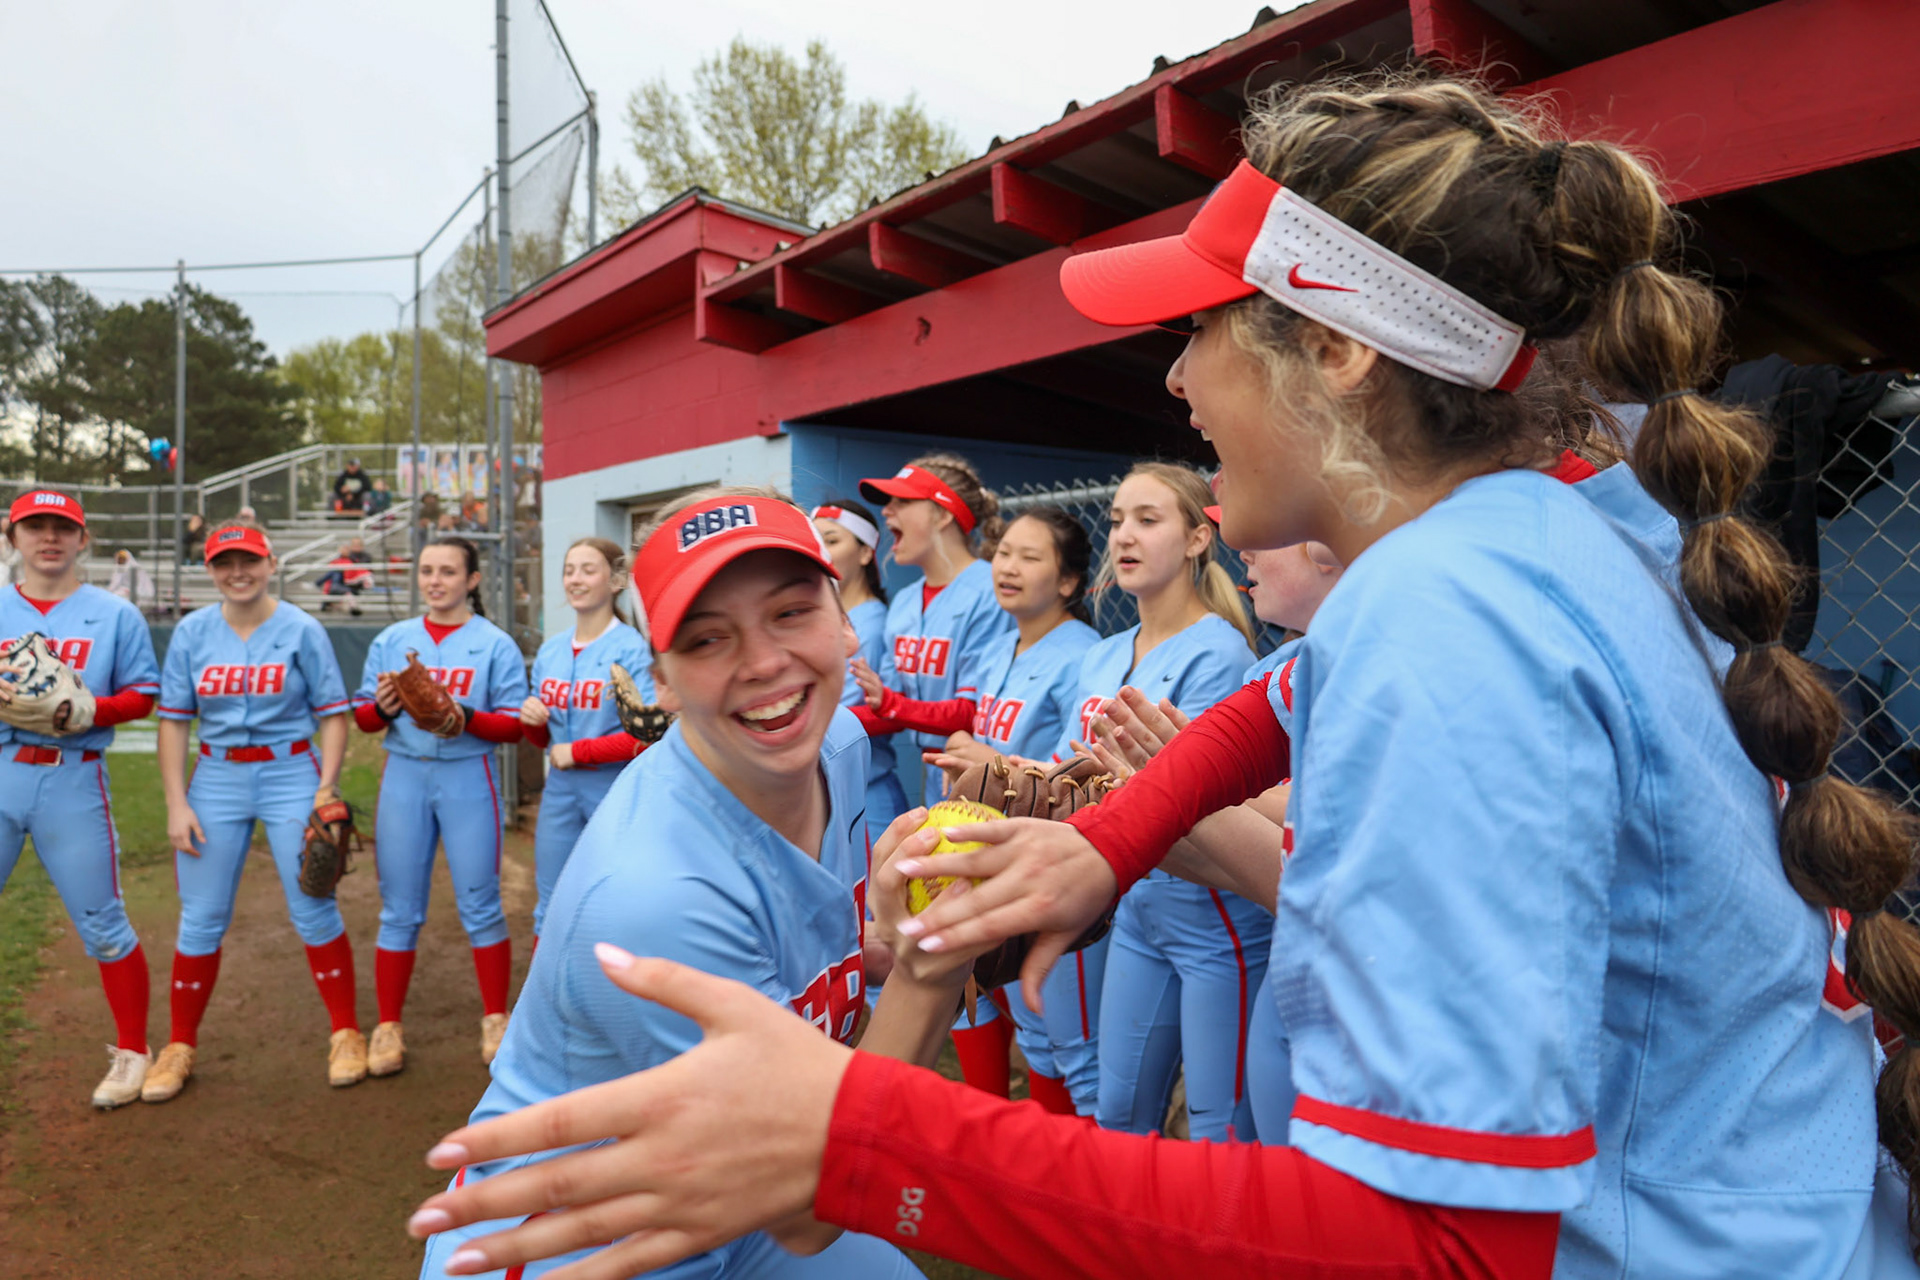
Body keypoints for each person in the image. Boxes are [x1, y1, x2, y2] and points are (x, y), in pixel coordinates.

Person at [406, 76, 1920, 1279]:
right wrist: (1106, 840)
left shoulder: (1450, 614)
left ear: (1337, 355)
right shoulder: (1567, 512)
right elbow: (1292, 691)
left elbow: (1447, 1251)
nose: (1181, 379)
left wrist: (867, 1141)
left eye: (1203, 327)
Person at [416, 488, 930, 1279]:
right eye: (707, 637)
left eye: (791, 612)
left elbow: (803, 956)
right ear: (658, 682)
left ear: (846, 620)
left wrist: (883, 949)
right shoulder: (650, 893)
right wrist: (938, 966)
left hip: (736, 1202)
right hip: (583, 1236)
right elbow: (808, 1203)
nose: (764, 663)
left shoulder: (841, 742)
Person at [1054, 461, 1266, 1142]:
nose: (1123, 536)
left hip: (1214, 918)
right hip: (1138, 904)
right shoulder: (1105, 651)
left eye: (1148, 519)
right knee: (1117, 1113)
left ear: (1199, 538)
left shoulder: (1221, 652)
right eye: (1116, 521)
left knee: (1218, 1126)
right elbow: (1072, 770)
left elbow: (1175, 794)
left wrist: (1049, 775)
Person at [146, 522, 361, 1101]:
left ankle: (346, 1032)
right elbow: (174, 721)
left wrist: (325, 786)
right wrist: (176, 802)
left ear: (270, 564)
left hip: (290, 769)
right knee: (201, 916)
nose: (237, 572)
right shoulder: (192, 632)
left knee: (313, 904)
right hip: (216, 776)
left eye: (248, 561)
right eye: (224, 563)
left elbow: (333, 713)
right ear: (210, 570)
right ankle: (179, 1045)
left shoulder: (301, 628)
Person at [848, 455, 1018, 1094]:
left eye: (900, 502)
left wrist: (891, 706)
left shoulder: (984, 588)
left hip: (983, 788)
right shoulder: (906, 601)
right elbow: (894, 704)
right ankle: (978, 1104)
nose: (887, 514)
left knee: (991, 960)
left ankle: (994, 1105)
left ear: (943, 513)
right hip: (928, 787)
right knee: (951, 955)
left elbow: (972, 709)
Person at [928, 505, 1101, 1116]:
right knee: (1004, 1010)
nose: (1009, 566)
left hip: (1049, 860)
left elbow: (1081, 767)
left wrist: (985, 756)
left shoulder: (1084, 652)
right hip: (986, 854)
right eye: (1004, 553)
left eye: (1030, 557)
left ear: (1067, 582)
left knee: (1060, 1037)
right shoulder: (998, 644)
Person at [0, 490, 162, 1109]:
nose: (49, 538)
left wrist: (93, 708)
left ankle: (131, 1052)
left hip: (72, 774)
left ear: (82, 538)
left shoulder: (115, 615)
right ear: (14, 538)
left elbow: (143, 693)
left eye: (61, 527)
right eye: (35, 527)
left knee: (103, 922)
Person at [353, 536, 528, 1076]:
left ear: (471, 580)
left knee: (481, 903)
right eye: (427, 570)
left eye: (448, 571)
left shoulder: (494, 643)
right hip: (404, 776)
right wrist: (381, 710)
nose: (435, 581)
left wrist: (464, 716)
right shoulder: (392, 639)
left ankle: (496, 1017)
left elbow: (515, 725)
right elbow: (362, 718)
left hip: (466, 775)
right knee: (399, 907)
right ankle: (387, 1025)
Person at [518, 537, 654, 944]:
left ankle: (616, 1003)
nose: (575, 579)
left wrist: (577, 751)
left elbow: (650, 738)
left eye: (587, 570)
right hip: (560, 793)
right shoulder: (552, 650)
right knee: (550, 906)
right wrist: (532, 722)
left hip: (615, 791)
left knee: (618, 904)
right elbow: (544, 739)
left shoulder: (634, 650)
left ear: (616, 582)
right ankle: (549, 1006)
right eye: (569, 570)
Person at [810, 499, 906, 849]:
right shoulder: (818, 620)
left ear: (866, 553)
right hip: (826, 792)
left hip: (869, 794)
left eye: (832, 541)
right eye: (816, 541)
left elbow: (890, 713)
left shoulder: (875, 623)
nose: (822, 551)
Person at [317, 537, 373, 614]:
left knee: (335, 574)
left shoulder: (363, 557)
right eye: (354, 544)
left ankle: (324, 596)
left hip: (356, 582)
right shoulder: (346, 557)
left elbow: (360, 569)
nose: (355, 546)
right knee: (335, 574)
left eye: (358, 544)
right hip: (345, 582)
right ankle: (328, 601)